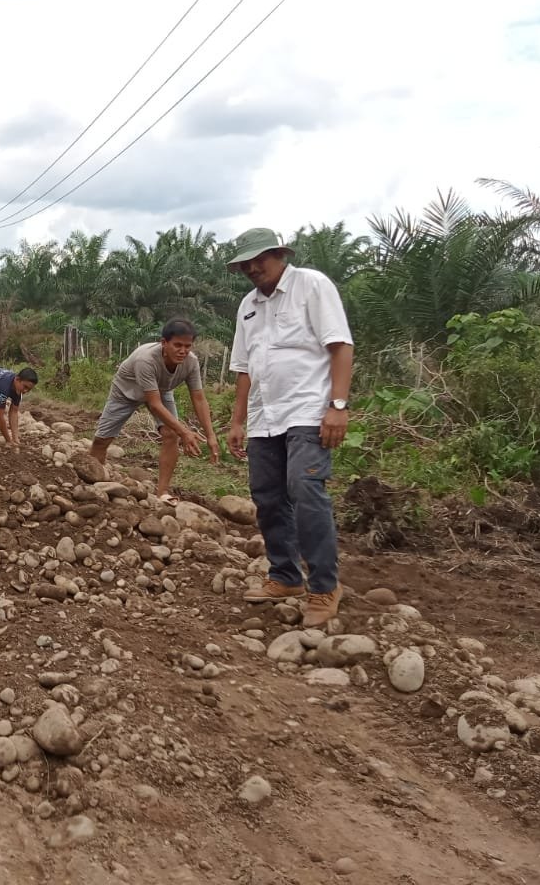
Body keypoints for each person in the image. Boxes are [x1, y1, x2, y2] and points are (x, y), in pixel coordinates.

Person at [225, 227, 354, 628]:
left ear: (280, 255)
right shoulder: (248, 305)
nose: (252, 268)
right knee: (266, 495)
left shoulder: (311, 285)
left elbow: (340, 345)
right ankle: (285, 576)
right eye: (245, 264)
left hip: (307, 411)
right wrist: (237, 420)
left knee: (305, 488)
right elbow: (244, 368)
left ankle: (325, 586)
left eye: (259, 259)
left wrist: (337, 406)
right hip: (265, 417)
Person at [88, 319, 220, 498]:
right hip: (126, 390)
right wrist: (185, 432)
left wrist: (211, 435)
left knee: (171, 434)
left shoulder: (191, 362)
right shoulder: (146, 360)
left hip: (161, 390)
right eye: (177, 345)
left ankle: (162, 493)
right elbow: (154, 404)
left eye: (187, 346)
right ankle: (92, 481)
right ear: (164, 343)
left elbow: (199, 398)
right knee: (102, 440)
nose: (183, 351)